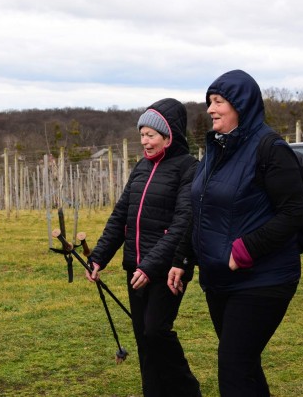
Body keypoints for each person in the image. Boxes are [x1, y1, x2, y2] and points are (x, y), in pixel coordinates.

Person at [168, 69, 303, 396]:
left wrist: (247, 248)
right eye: (209, 102)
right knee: (243, 365)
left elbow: (293, 213)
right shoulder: (215, 152)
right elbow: (200, 209)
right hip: (221, 280)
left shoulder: (270, 148)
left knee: (234, 366)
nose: (211, 109)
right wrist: (183, 258)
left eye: (219, 102)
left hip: (264, 278)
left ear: (241, 105)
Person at [86, 98, 202, 397]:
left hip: (167, 270)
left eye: (151, 135)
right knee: (143, 339)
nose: (144, 141)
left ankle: (188, 389)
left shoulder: (188, 169)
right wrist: (99, 257)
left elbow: (182, 224)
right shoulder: (140, 168)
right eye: (142, 135)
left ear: (169, 136)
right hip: (134, 268)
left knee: (156, 331)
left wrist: (151, 266)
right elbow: (120, 217)